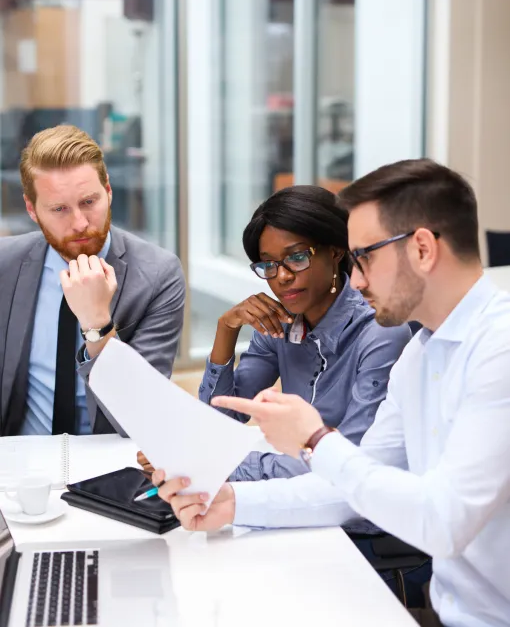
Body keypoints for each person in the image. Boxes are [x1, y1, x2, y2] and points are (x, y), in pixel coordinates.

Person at [155, 160, 510, 627]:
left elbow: (443, 522)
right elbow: (353, 487)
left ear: (422, 248)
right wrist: (230, 503)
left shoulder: (499, 349)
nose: (357, 280)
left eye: (364, 257)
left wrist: (315, 441)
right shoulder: (419, 357)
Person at [199, 184, 411, 481]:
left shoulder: (380, 332)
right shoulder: (279, 323)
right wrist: (226, 329)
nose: (282, 276)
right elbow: (220, 423)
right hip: (295, 496)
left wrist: (211, 464)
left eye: (297, 257)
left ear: (336, 251)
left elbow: (349, 459)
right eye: (269, 264)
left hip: (358, 514)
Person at [0, 124, 185, 436]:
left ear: (108, 191)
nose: (80, 223)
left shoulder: (158, 274)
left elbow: (142, 416)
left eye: (89, 202)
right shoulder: (6, 263)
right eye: (59, 209)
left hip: (110, 460)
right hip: (19, 459)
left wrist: (96, 323)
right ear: (32, 209)